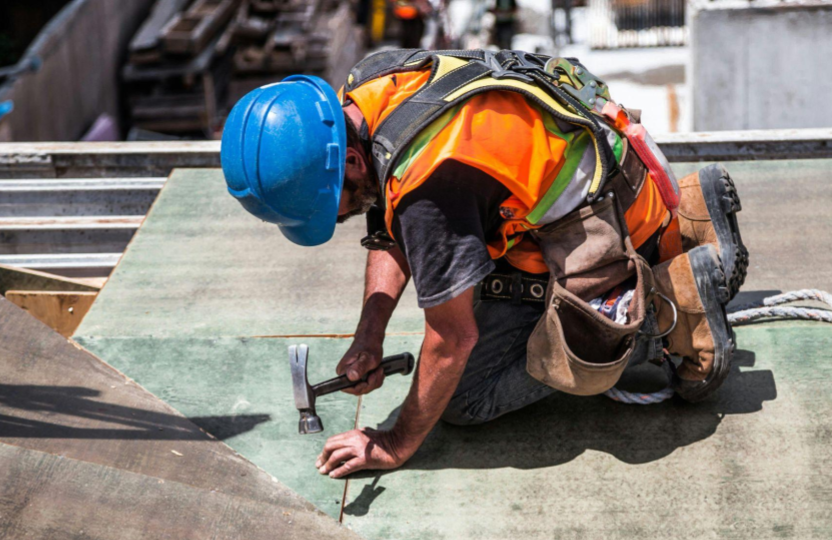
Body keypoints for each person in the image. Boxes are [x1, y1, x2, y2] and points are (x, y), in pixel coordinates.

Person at [220, 49, 749, 479]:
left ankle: (668, 308)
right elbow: (388, 219)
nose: (334, 221)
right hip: (610, 180)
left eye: (328, 207)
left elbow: (453, 340)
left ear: (351, 160)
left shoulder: (432, 185)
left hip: (607, 231)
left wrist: (394, 443)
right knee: (456, 284)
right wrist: (369, 336)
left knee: (467, 397)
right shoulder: (366, 89)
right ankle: (690, 214)